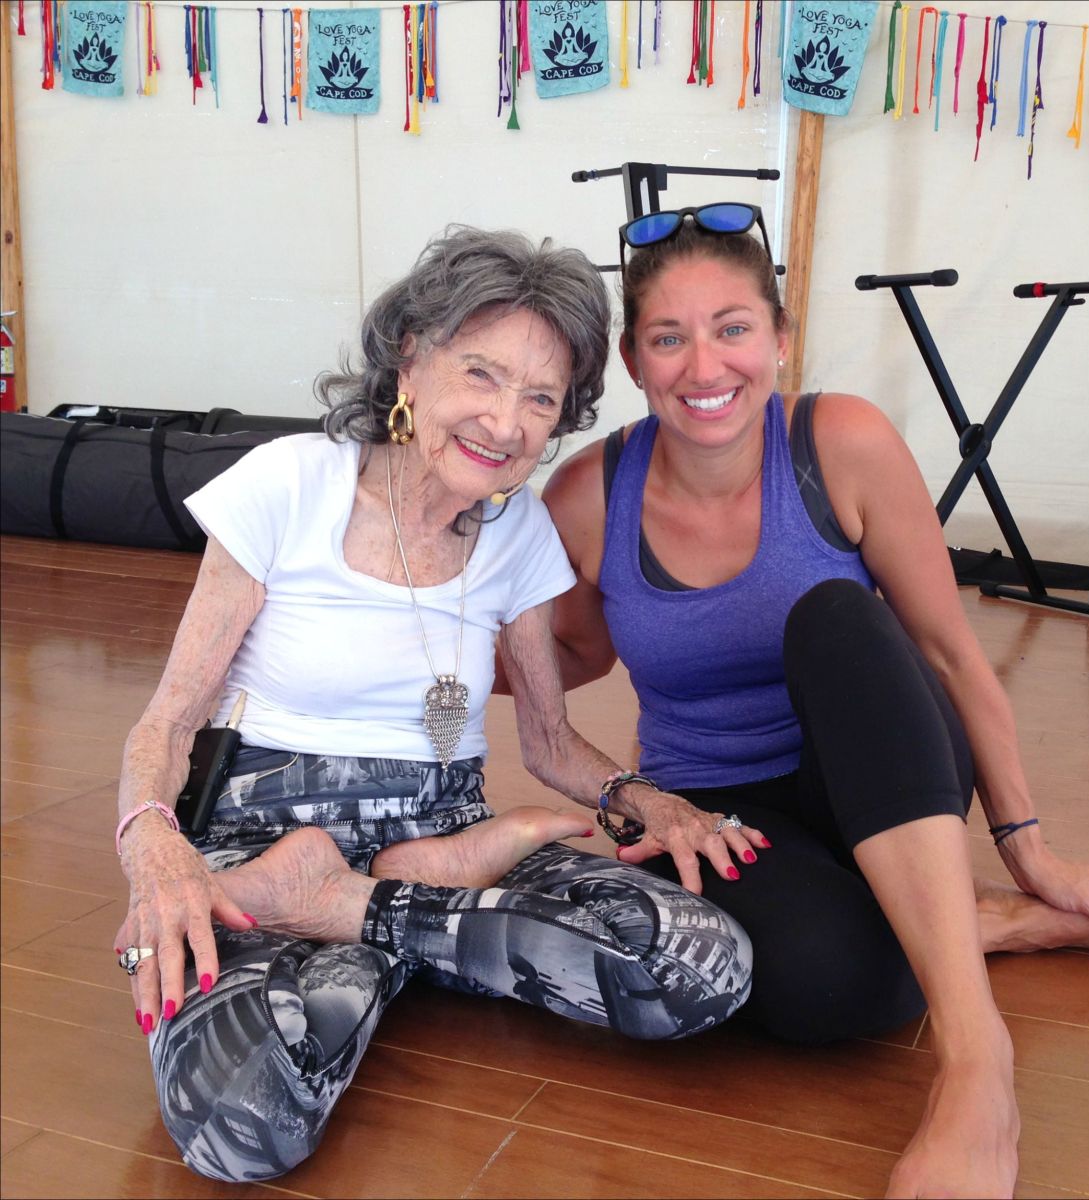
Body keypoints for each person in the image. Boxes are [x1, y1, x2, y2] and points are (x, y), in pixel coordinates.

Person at [532, 207, 1089, 1200]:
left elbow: (950, 655)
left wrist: (1031, 851)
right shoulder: (585, 497)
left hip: (881, 760)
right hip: (720, 806)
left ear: (780, 337)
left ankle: (977, 1063)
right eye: (669, 337)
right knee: (820, 988)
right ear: (633, 360)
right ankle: (975, 925)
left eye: (733, 328)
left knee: (835, 616)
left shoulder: (840, 443)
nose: (705, 366)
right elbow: (558, 663)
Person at [112, 227, 755, 1185]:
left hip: (440, 833)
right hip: (261, 843)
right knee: (242, 1123)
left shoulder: (518, 530)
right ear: (410, 360)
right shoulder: (290, 483)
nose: (506, 423)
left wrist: (646, 799)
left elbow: (547, 741)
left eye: (540, 399)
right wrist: (155, 853)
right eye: (482, 375)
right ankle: (408, 928)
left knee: (704, 963)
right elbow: (167, 722)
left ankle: (357, 911)